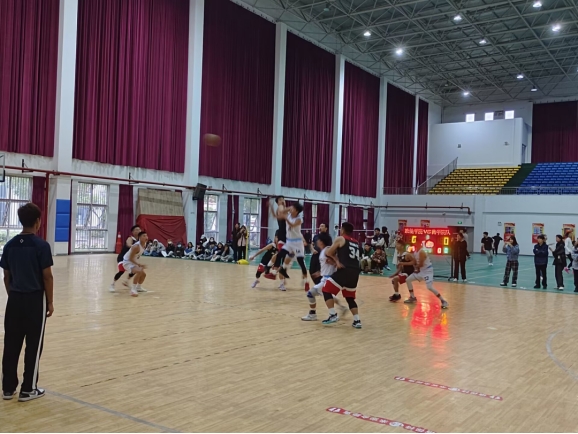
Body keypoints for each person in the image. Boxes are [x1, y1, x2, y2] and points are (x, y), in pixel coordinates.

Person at [1, 203, 53, 402]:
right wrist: (50, 302)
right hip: (34, 301)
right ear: (38, 221)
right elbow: (47, 276)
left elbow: (6, 277)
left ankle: (8, 389)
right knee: (33, 345)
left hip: (14, 299)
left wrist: (13, 295)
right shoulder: (42, 246)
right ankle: (28, 389)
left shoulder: (9, 245)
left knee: (11, 344)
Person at [321, 222, 363, 328]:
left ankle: (332, 315)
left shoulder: (341, 239)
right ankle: (357, 321)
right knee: (350, 298)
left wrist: (336, 261)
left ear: (342, 230)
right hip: (355, 272)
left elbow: (328, 253)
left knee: (326, 289)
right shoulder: (356, 242)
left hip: (344, 270)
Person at [301, 232, 346, 321]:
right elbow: (328, 263)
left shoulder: (327, 249)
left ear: (321, 241)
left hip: (328, 278)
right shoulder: (324, 250)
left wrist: (336, 262)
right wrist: (320, 272)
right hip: (325, 277)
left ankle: (313, 314)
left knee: (310, 293)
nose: (316, 241)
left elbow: (336, 258)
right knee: (327, 295)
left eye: (318, 239)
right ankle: (342, 308)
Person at [267, 203, 310, 291]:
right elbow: (276, 216)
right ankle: (273, 272)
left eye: (293, 208)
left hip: (297, 243)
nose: (291, 209)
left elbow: (292, 225)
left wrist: (286, 217)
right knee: (279, 254)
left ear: (297, 211)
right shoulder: (289, 215)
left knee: (301, 263)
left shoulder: (299, 219)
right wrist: (271, 207)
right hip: (289, 242)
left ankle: (306, 282)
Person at [401, 242, 449, 309]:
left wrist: (414, 267)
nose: (415, 244)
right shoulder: (415, 252)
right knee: (408, 280)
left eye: (416, 243)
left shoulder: (421, 252)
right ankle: (412, 297)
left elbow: (421, 264)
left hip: (427, 271)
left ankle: (443, 301)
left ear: (420, 244)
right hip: (421, 271)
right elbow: (415, 263)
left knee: (429, 287)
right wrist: (405, 263)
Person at [109, 225, 140, 291]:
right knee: (121, 271)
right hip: (122, 258)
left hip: (130, 259)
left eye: (139, 229)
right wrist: (135, 248)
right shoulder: (130, 238)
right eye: (136, 230)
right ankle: (112, 284)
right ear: (133, 232)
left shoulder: (139, 241)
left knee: (136, 269)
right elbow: (129, 244)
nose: (138, 231)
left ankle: (126, 281)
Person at [122, 231, 149, 296]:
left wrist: (137, 263)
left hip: (133, 261)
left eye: (146, 236)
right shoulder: (136, 246)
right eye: (144, 236)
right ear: (139, 237)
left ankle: (138, 287)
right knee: (139, 271)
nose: (146, 237)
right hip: (127, 262)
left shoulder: (145, 244)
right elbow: (130, 258)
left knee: (143, 275)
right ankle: (133, 290)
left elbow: (137, 255)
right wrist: (139, 264)